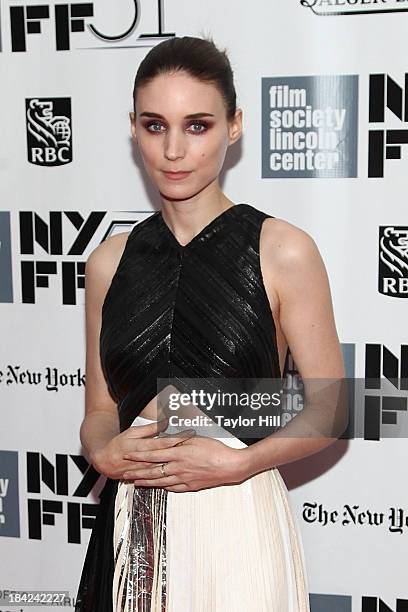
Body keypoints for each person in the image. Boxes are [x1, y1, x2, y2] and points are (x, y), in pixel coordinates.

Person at [74, 35, 346, 612]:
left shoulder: (282, 250)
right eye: (155, 125)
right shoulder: (107, 262)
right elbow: (99, 411)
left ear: (235, 126)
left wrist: (239, 462)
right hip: (131, 526)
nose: (174, 150)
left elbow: (333, 404)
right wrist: (103, 454)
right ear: (133, 128)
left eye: (197, 125)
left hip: (236, 515)